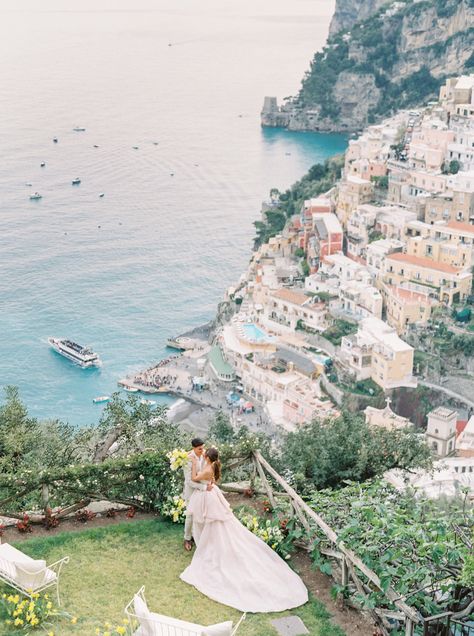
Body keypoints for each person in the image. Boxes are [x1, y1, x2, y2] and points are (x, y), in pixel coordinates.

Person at [180, 448, 308, 613]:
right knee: (217, 524)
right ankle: (211, 544)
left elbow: (193, 478)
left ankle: (213, 548)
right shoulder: (211, 466)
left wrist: (194, 462)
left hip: (209, 497)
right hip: (212, 496)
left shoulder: (205, 469)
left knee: (214, 525)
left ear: (206, 457)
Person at [182, 438, 212, 551]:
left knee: (201, 514)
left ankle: (198, 536)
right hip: (191, 491)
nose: (202, 450)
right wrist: (204, 487)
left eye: (203, 447)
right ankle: (187, 538)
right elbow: (189, 481)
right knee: (190, 515)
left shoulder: (203, 454)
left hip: (201, 491)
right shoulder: (187, 459)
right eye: (200, 448)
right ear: (194, 448)